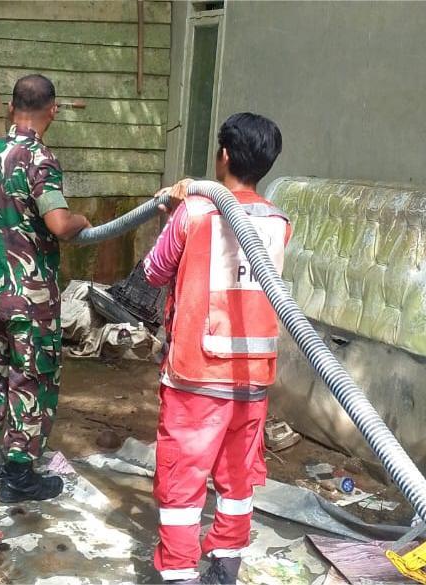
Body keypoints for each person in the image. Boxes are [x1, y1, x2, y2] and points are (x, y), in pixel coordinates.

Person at [143, 113, 291, 584]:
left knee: (182, 476)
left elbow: (153, 271)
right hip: (252, 373)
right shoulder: (278, 222)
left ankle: (180, 570)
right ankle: (226, 559)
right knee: (238, 474)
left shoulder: (195, 212)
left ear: (223, 155)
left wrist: (171, 216)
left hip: (197, 371)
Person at [0, 74, 91, 503]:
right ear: (52, 109)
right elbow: (57, 223)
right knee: (32, 376)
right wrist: (80, 222)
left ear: (10, 106)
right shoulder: (40, 158)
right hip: (29, 295)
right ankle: (19, 474)